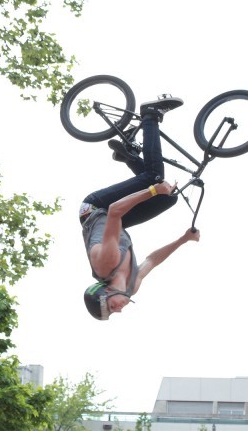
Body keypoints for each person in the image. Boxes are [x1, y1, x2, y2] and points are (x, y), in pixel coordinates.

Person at [80, 96, 200, 320]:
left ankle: (151, 114)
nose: (119, 309)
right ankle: (128, 156)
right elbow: (152, 260)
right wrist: (183, 240)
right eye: (114, 313)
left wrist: (154, 190)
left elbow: (115, 209)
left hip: (96, 208)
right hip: (115, 220)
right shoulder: (132, 285)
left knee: (155, 179)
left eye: (111, 308)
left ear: (105, 293)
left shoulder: (105, 264)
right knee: (169, 199)